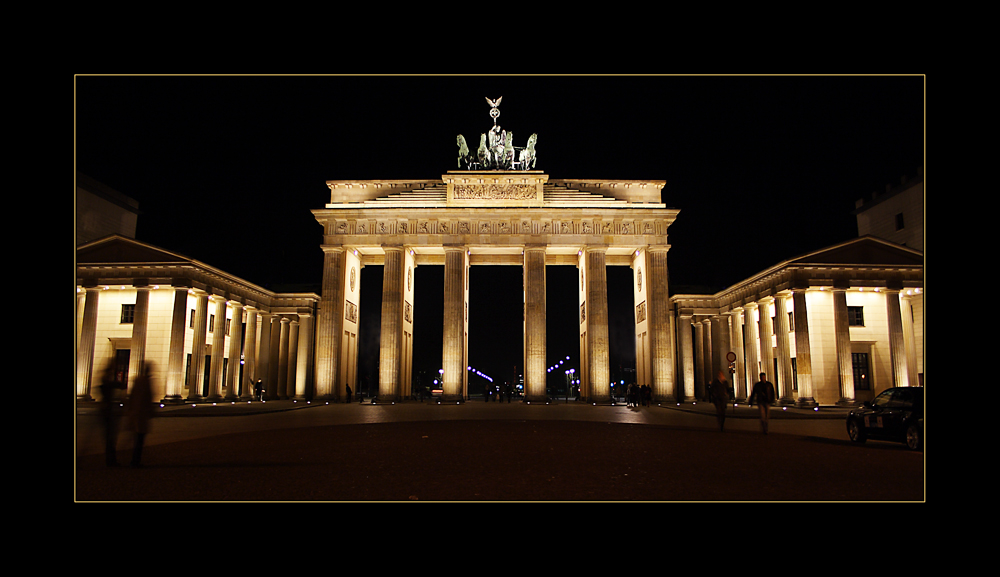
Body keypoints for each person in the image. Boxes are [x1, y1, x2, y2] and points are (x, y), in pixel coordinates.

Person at [125, 361, 154, 468]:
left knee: (136, 437)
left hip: (136, 414)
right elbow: (147, 398)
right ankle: (134, 460)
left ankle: (133, 459)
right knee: (139, 438)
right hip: (140, 415)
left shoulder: (138, 380)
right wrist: (151, 411)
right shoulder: (145, 381)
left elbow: (132, 396)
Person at [98, 362, 125, 466]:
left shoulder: (105, 380)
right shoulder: (107, 381)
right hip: (108, 411)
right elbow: (117, 385)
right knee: (110, 436)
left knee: (109, 436)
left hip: (106, 410)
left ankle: (110, 459)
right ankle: (111, 460)